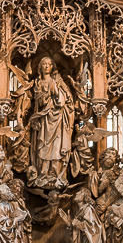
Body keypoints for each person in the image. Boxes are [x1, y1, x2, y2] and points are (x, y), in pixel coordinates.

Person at [10, 57, 75, 188]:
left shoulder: (58, 81)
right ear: (40, 67)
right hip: (44, 119)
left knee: (57, 147)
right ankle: (43, 173)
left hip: (57, 119)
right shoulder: (38, 83)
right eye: (44, 64)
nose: (47, 66)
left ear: (53, 67)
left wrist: (56, 91)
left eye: (49, 64)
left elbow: (64, 100)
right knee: (43, 145)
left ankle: (57, 175)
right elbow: (38, 102)